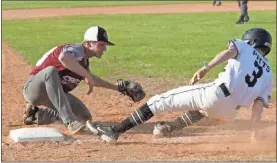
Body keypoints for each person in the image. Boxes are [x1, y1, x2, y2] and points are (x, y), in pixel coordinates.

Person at [86, 28, 273, 143]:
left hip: (216, 94)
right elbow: (257, 109)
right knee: (202, 110)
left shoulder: (245, 47)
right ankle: (166, 128)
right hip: (229, 112)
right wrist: (253, 135)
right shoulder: (269, 74)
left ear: (251, 41)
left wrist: (205, 68)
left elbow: (228, 51)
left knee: (160, 101)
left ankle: (115, 131)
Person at [22, 26, 145, 134]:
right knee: (50, 71)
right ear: (88, 43)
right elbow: (64, 57)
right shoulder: (76, 49)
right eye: (100, 44)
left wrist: (118, 88)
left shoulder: (83, 61)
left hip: (53, 95)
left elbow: (92, 79)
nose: (104, 48)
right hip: (34, 89)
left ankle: (36, 115)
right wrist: (87, 75)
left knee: (84, 118)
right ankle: (70, 121)